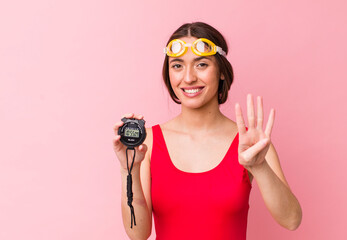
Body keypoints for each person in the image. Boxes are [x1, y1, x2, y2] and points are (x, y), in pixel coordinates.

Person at [112, 22, 302, 240]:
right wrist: (129, 169)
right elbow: (137, 234)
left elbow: (292, 220)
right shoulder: (150, 142)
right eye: (177, 66)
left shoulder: (251, 144)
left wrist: (260, 167)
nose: (189, 77)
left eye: (201, 64)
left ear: (221, 71)